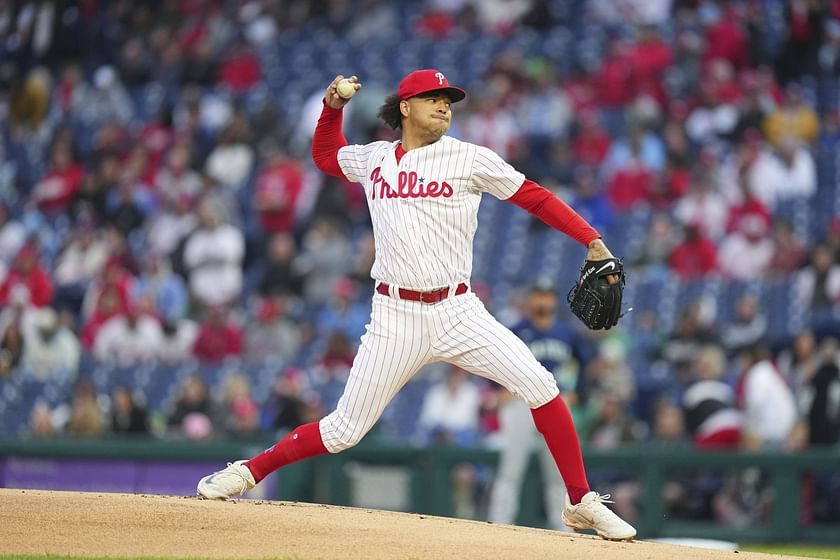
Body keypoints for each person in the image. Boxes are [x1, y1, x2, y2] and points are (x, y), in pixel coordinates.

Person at [196, 69, 636, 541]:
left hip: (458, 310)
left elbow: (535, 198)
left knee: (541, 384)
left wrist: (590, 239)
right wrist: (332, 108)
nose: (445, 106)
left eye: (449, 100)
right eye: (433, 98)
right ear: (405, 107)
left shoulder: (469, 158)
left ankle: (580, 501)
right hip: (395, 315)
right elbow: (324, 155)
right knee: (345, 430)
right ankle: (247, 472)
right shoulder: (375, 159)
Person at [487, 281, 591, 531]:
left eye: (546, 296)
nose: (542, 301)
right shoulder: (516, 330)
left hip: (555, 405)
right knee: (511, 468)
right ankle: (499, 524)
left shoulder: (567, 334)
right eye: (538, 295)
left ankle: (563, 527)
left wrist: (579, 392)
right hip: (520, 404)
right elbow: (491, 358)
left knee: (558, 473)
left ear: (553, 301)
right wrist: (497, 389)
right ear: (530, 300)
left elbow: (585, 364)